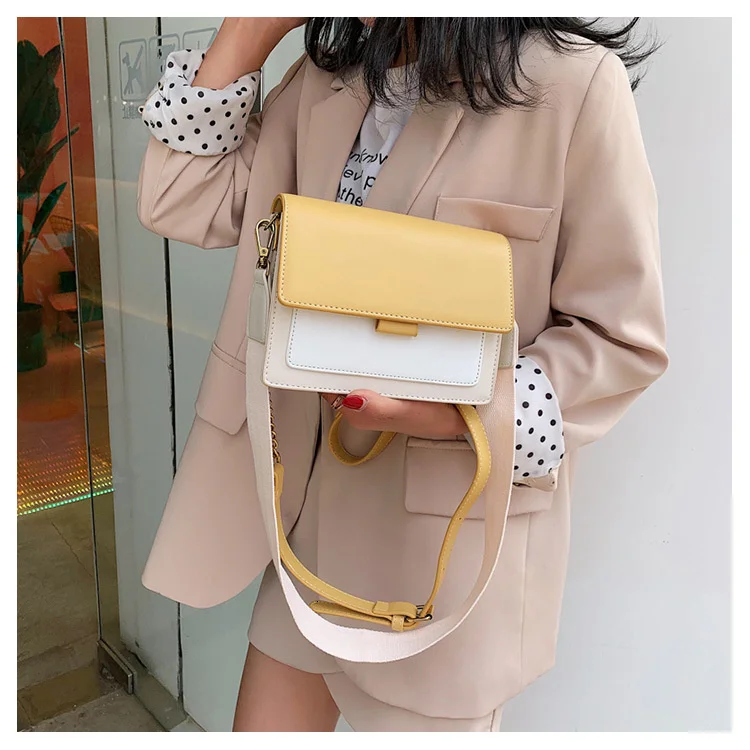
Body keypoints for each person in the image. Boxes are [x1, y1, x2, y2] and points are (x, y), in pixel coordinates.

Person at [137, 17, 668, 732]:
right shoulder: (326, 81)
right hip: (302, 542)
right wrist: (249, 31)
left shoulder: (570, 83)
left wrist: (457, 414)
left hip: (440, 561)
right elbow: (179, 199)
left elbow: (621, 340)